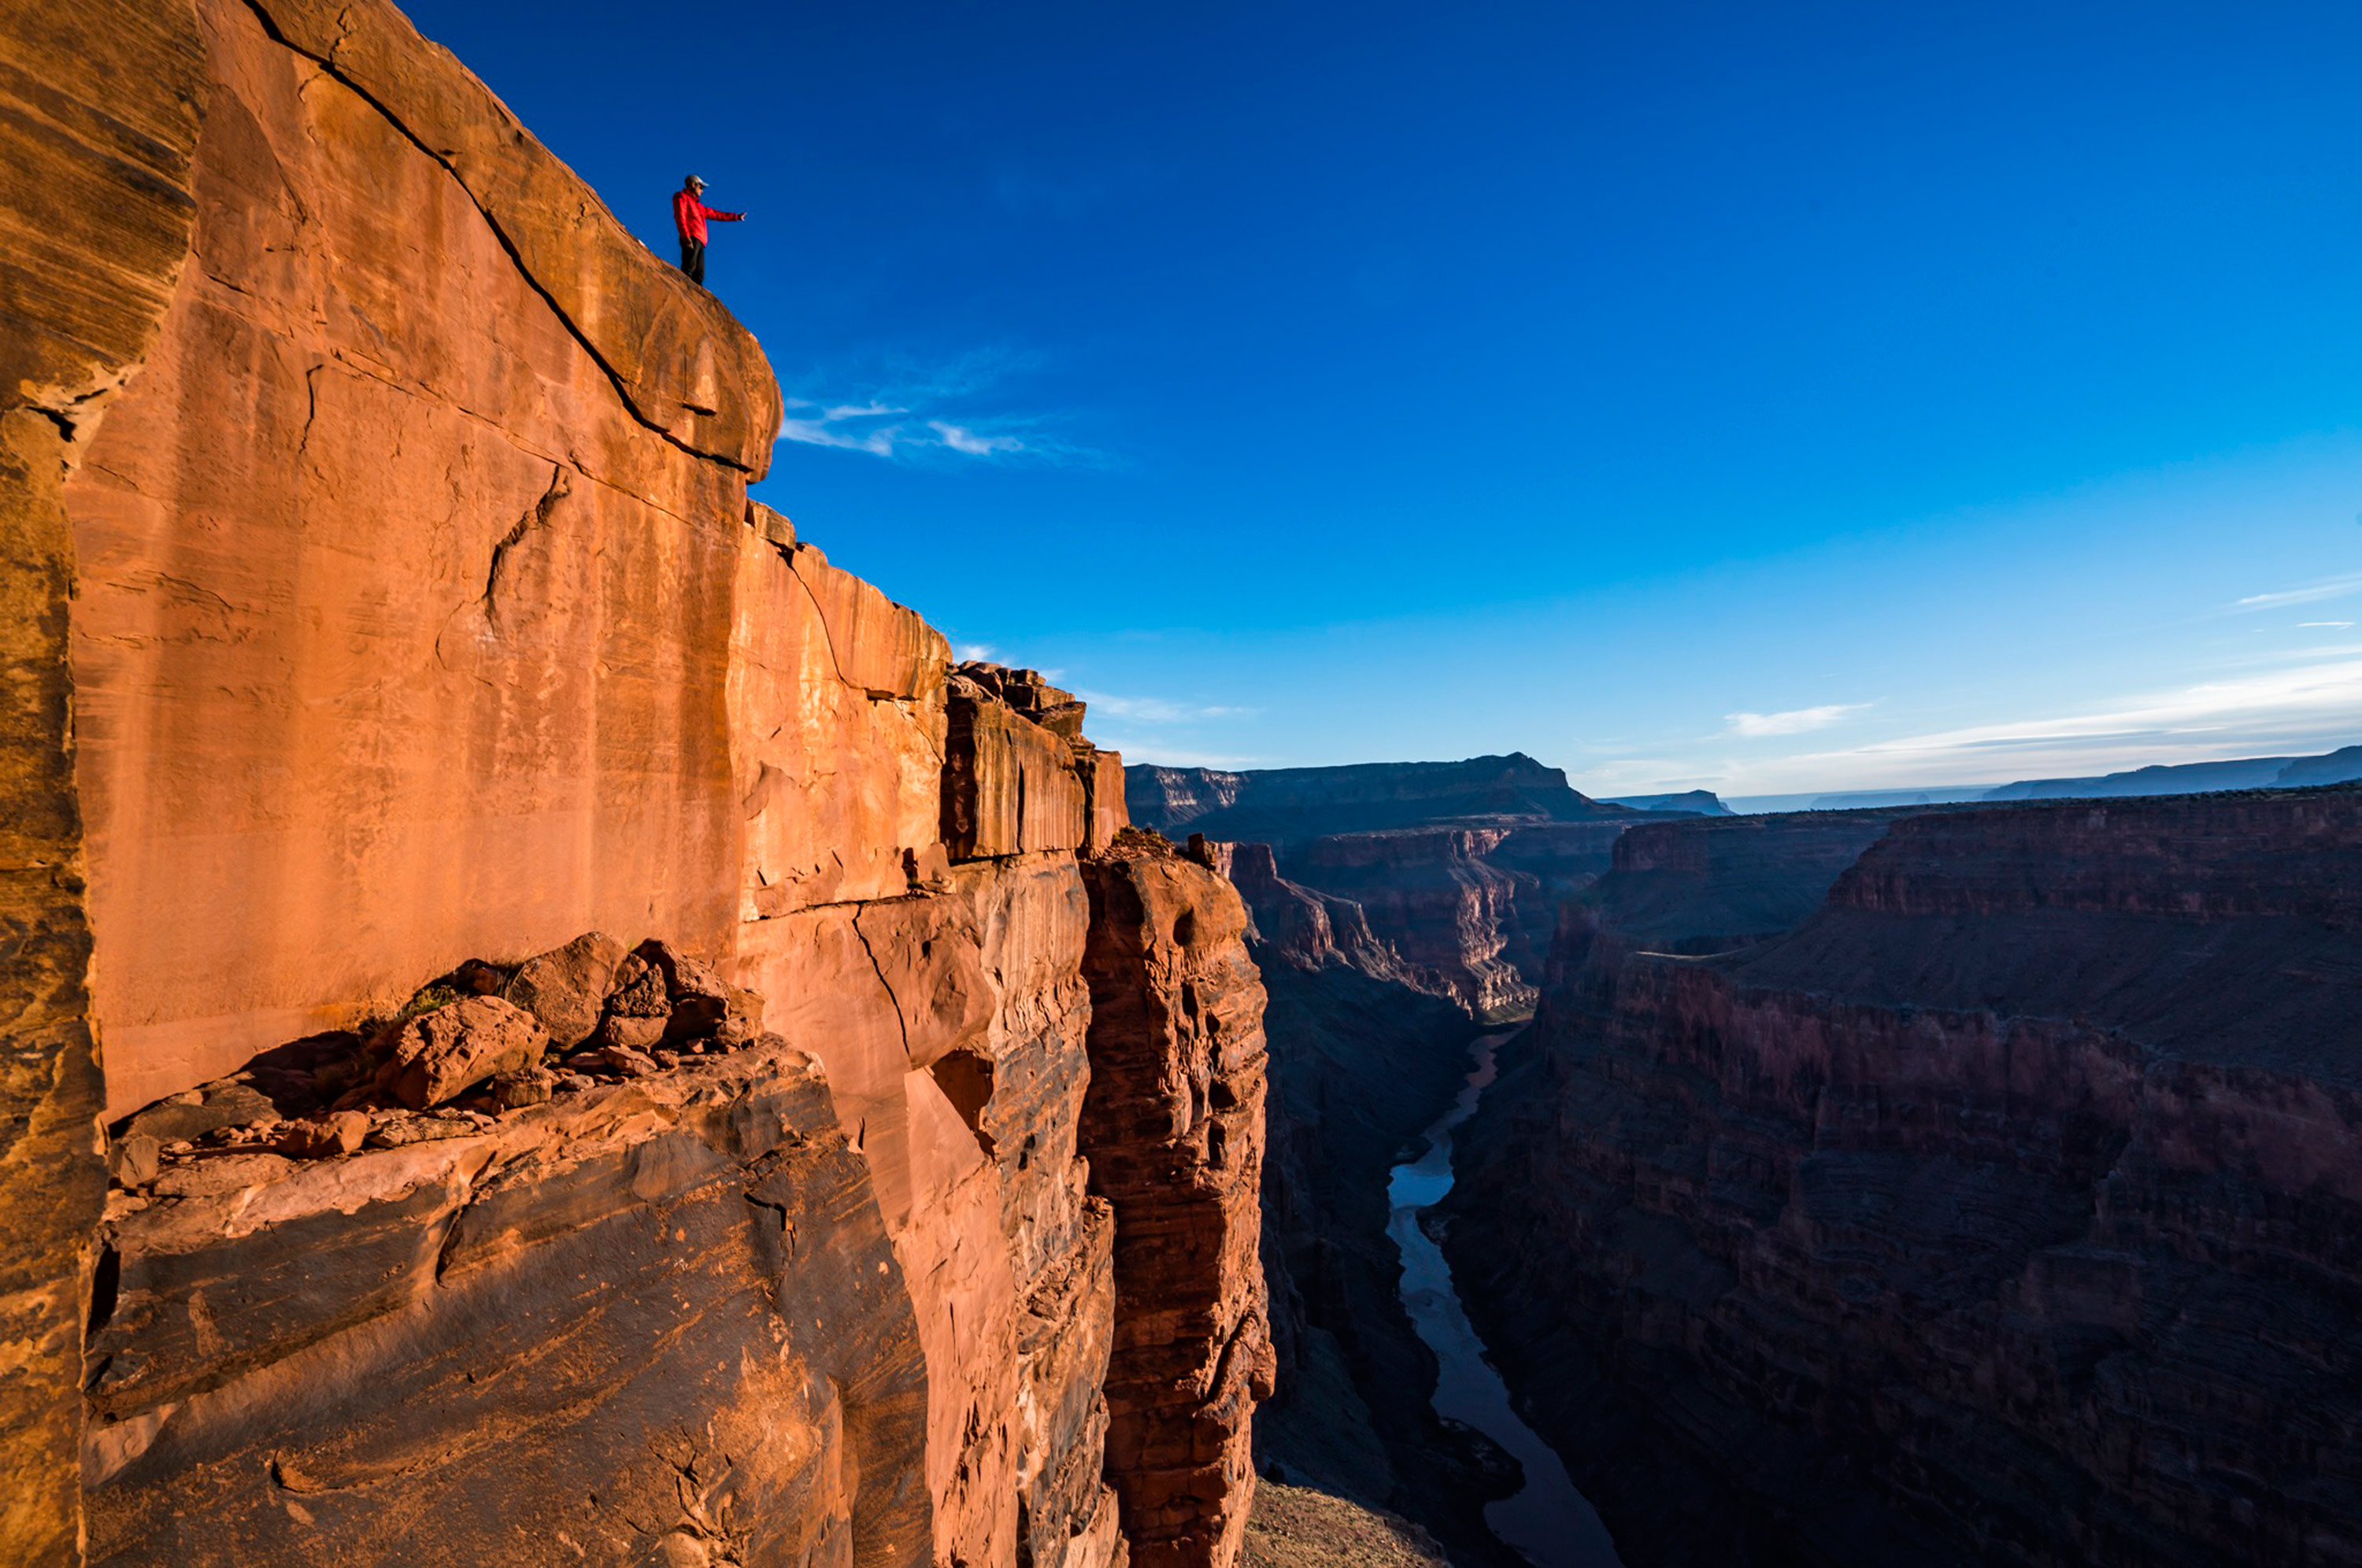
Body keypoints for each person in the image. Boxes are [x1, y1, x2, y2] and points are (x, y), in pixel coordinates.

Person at [672, 175, 745, 286]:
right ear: (693, 185)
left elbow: (716, 214)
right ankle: (681, 291)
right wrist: (685, 236)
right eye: (700, 187)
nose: (702, 191)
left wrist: (736, 217)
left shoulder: (700, 207)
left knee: (699, 274)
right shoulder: (681, 197)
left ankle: (693, 299)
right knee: (689, 268)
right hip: (691, 237)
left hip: (701, 240)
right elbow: (680, 216)